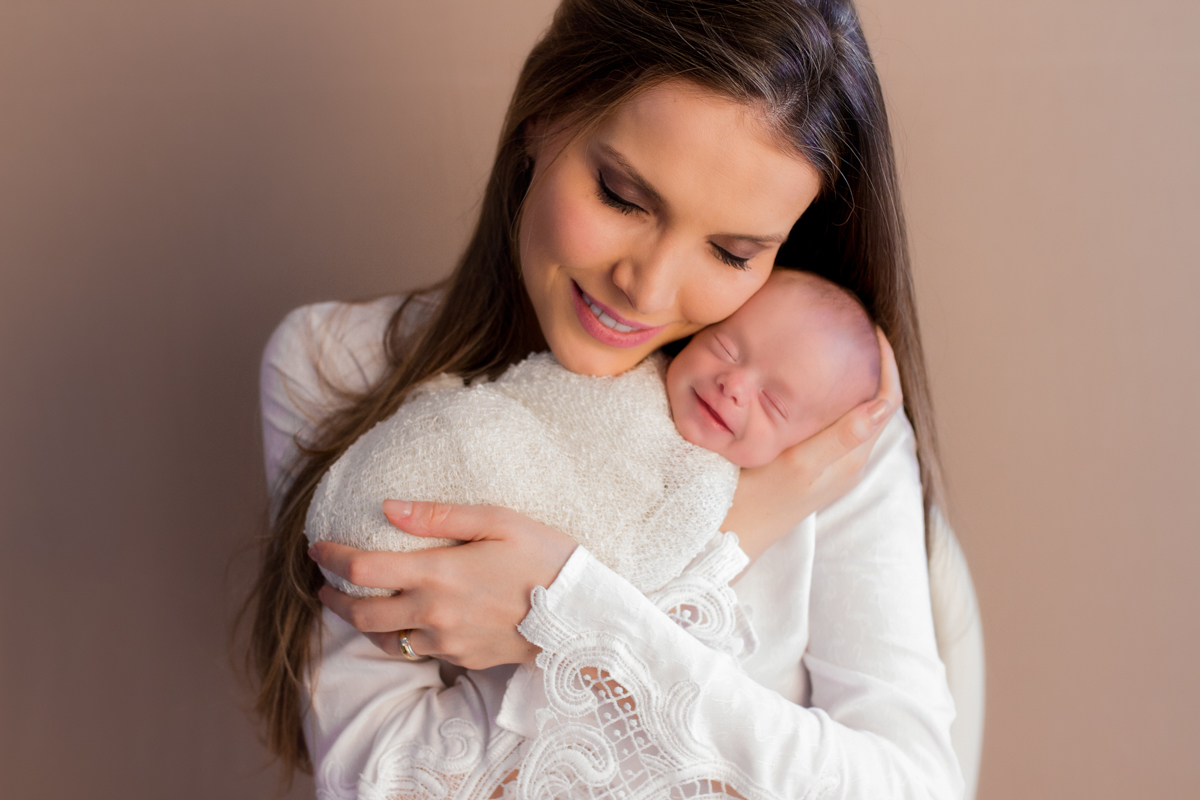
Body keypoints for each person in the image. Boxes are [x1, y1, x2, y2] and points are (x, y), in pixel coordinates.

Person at [247, 1, 963, 798]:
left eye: (730, 251)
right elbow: (381, 783)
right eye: (623, 197)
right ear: (543, 116)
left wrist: (565, 609)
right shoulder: (330, 363)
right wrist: (734, 529)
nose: (648, 288)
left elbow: (913, 786)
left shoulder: (819, 419)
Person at [305, 270, 880, 607]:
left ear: (807, 447)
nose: (733, 386)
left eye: (774, 404)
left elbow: (639, 584)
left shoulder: (704, 488)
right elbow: (530, 388)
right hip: (450, 453)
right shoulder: (630, 357)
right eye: (727, 349)